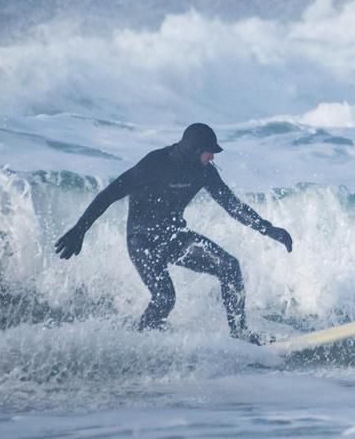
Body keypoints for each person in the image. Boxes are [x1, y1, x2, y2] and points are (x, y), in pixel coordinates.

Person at [54, 122, 293, 343]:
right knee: (165, 298)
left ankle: (239, 333)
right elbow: (110, 194)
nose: (212, 157)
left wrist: (267, 228)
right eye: (209, 152)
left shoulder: (204, 171)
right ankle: (142, 343)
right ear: (194, 150)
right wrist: (80, 229)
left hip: (175, 238)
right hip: (142, 241)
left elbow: (231, 204)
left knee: (229, 267)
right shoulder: (154, 163)